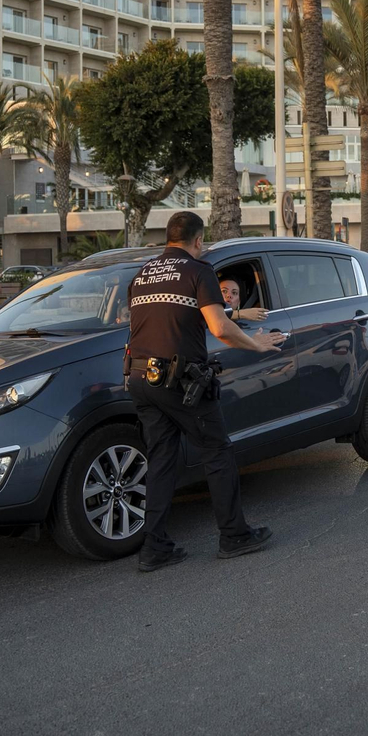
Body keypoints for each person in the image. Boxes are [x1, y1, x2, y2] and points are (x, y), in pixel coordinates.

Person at [126, 211, 286, 573]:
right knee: (217, 451)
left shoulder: (142, 275)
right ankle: (234, 535)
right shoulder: (199, 272)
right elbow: (220, 327)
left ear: (167, 238)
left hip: (140, 379)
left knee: (161, 460)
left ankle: (154, 549)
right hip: (180, 381)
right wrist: (257, 345)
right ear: (198, 241)